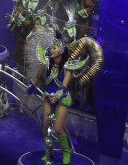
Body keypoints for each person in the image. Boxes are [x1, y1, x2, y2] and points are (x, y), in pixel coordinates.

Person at [30, 37, 73, 165]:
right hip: (48, 98)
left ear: (60, 50)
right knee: (46, 126)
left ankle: (66, 152)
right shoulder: (46, 64)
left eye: (54, 47)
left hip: (62, 99)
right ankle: (48, 153)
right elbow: (36, 78)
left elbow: (64, 87)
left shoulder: (67, 67)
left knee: (58, 128)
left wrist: (57, 96)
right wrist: (28, 91)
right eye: (50, 47)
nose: (51, 49)